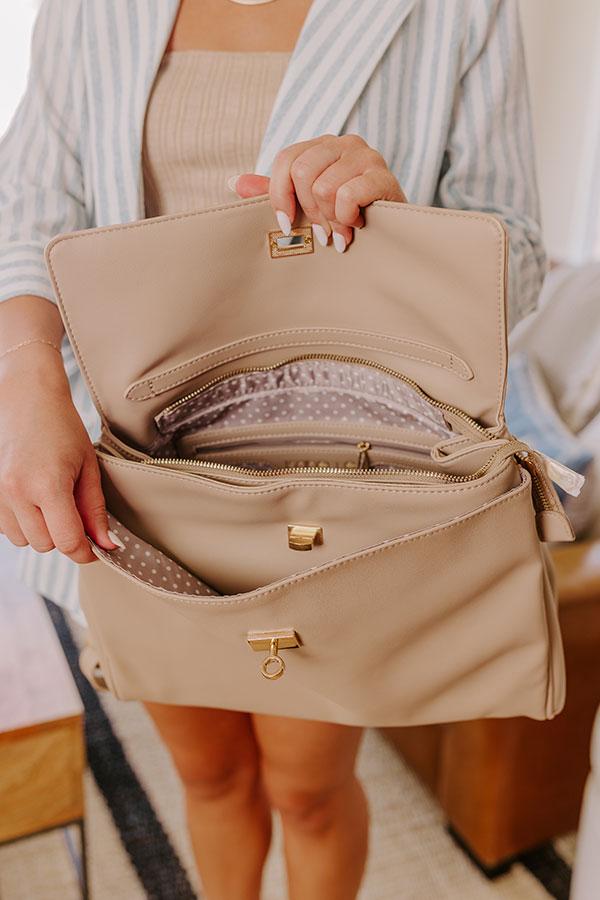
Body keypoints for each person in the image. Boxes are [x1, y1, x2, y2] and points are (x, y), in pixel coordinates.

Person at [0, 1, 545, 897]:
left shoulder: (462, 9)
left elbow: (516, 253)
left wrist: (398, 220)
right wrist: (26, 384)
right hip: (141, 474)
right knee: (208, 777)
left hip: (336, 480)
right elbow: (27, 208)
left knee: (310, 790)